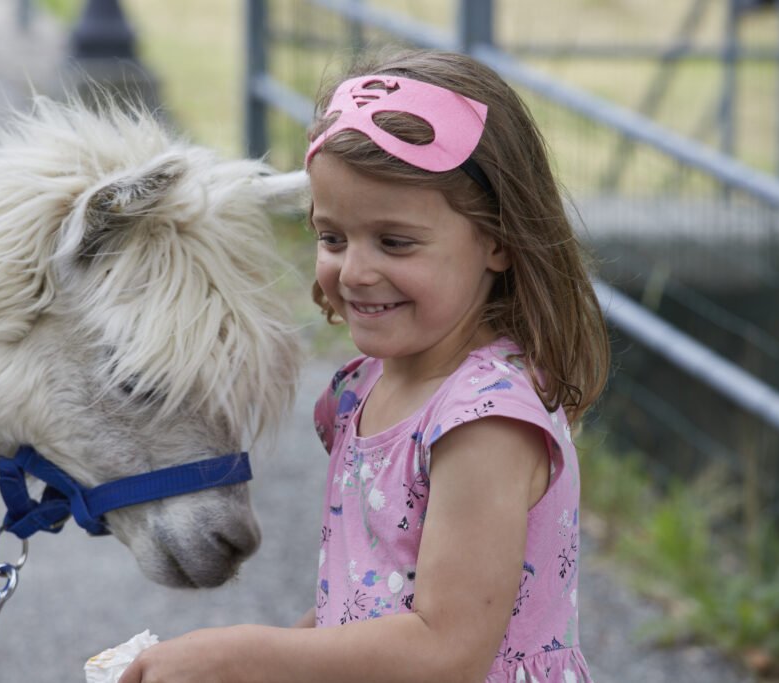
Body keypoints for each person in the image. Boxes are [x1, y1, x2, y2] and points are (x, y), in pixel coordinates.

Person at [120, 47, 609, 683]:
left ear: (498, 240)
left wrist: (242, 656)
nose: (353, 272)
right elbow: (356, 612)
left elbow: (447, 651)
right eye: (332, 237)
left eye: (394, 241)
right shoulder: (373, 383)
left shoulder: (483, 424)